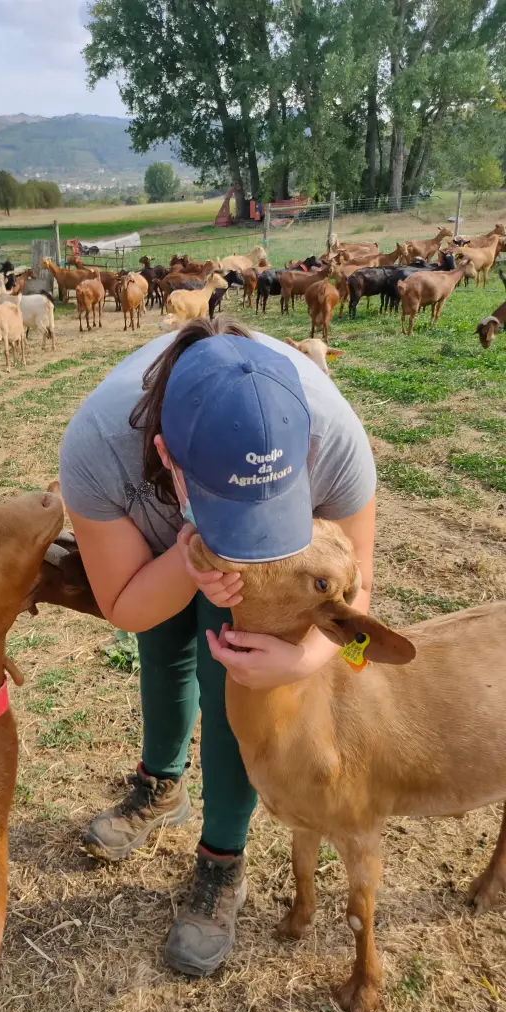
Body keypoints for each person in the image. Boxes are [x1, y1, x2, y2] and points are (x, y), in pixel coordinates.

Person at [58, 318, 376, 978]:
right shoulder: (98, 448)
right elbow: (123, 603)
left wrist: (310, 658)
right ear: (168, 454)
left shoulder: (337, 439)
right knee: (163, 637)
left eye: (272, 502)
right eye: (235, 506)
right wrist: (187, 555)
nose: (245, 540)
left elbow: (361, 618)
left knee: (237, 665)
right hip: (162, 530)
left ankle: (223, 856)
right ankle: (159, 783)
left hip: (229, 546)